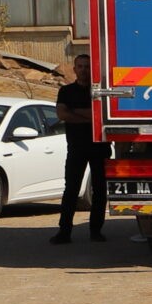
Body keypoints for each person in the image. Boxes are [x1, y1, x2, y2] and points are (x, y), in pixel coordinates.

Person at [51, 53, 105, 244]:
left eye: (88, 66)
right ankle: (64, 231)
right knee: (71, 190)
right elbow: (62, 114)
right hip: (76, 148)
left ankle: (96, 231)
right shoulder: (66, 91)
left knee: (99, 190)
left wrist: (76, 112)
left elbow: (101, 116)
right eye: (80, 66)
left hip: (99, 146)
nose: (84, 70)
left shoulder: (100, 92)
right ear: (74, 69)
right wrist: (90, 117)